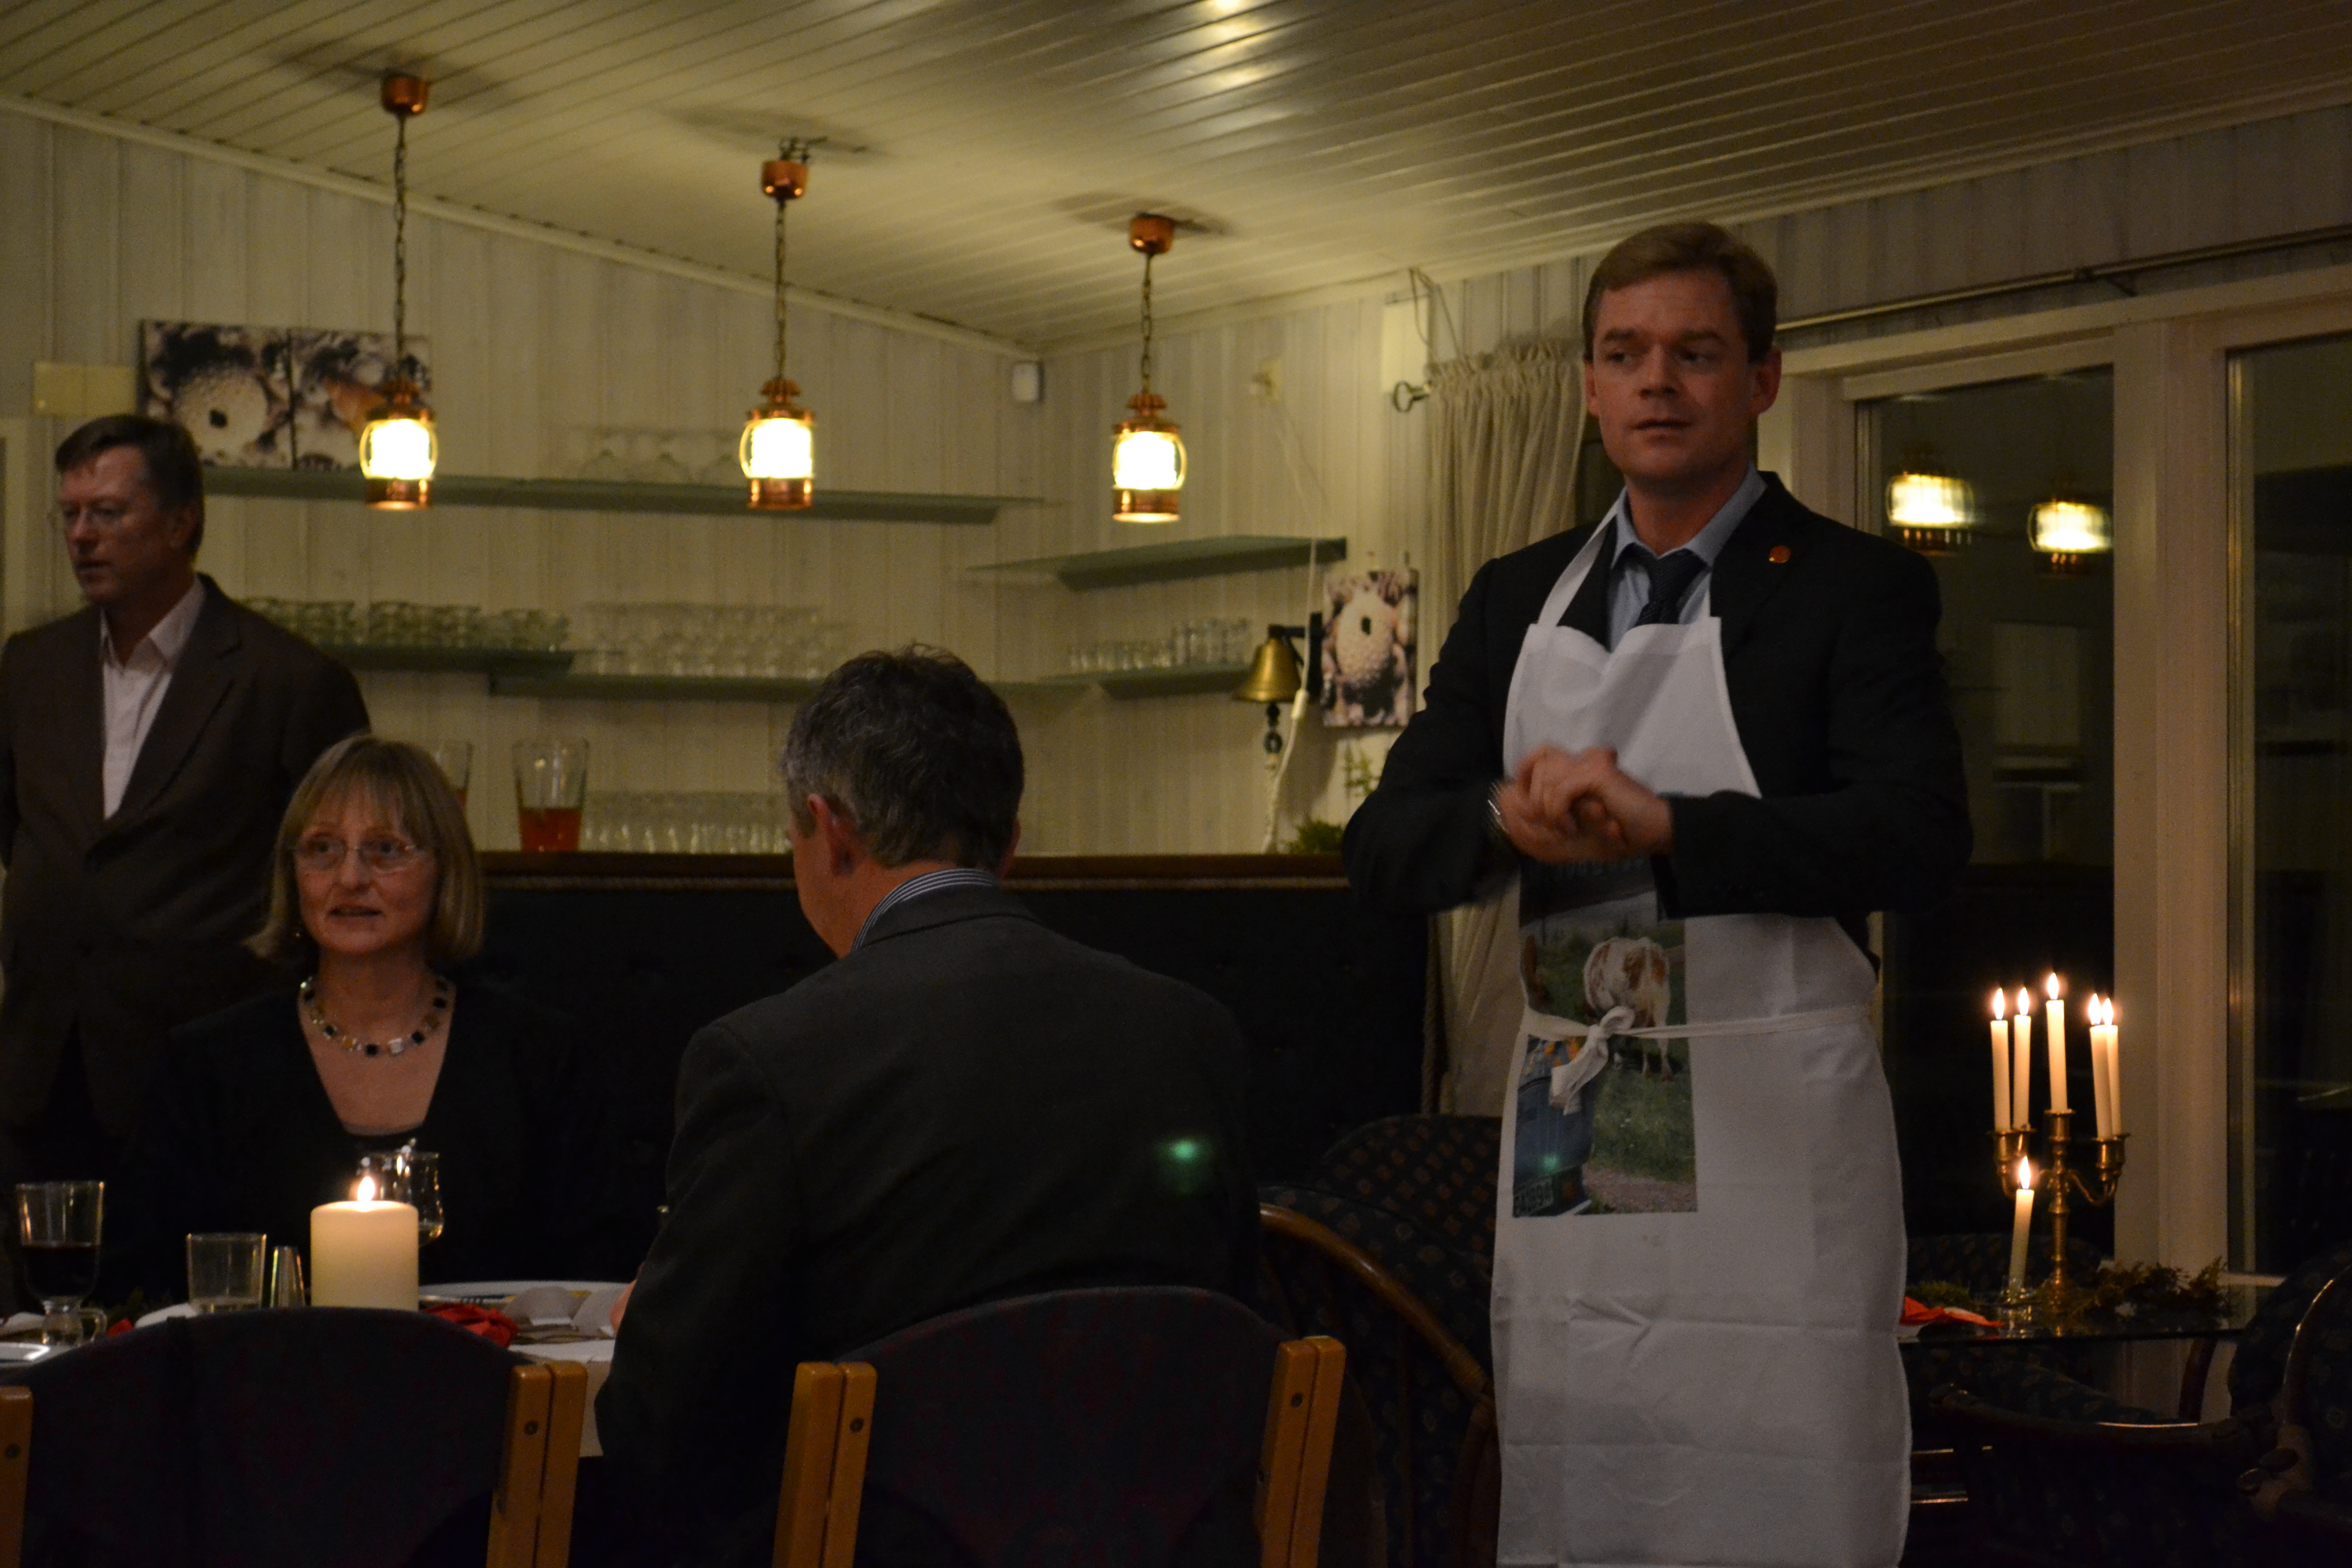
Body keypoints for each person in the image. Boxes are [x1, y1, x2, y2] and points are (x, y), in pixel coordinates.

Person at [1345, 223, 1968, 1567]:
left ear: (1762, 378)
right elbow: (1384, 846)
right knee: (1594, 1446)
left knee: (1781, 1459)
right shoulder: (1517, 596)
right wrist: (1506, 820)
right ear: (1588, 385)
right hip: (1588, 1084)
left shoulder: (1855, 586)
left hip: (1772, 1095)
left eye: (1696, 354)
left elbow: (1918, 840)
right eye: (1626, 355)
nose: (1658, 384)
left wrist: (1673, 827)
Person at [598, 647, 1259, 1567]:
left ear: (829, 830)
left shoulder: (769, 1060)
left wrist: (656, 1321)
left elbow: (657, 1425)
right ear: (1010, 841)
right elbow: (1225, 1336)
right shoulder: (1193, 1033)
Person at [0, 415, 369, 1207]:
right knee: (42, 1281)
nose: (81, 536)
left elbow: (334, 869)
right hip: (44, 1062)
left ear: (180, 522)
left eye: (108, 513)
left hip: (202, 1063)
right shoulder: (32, 666)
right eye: (71, 514)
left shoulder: (288, 680)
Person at [129, 734, 619, 1294]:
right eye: (322, 849)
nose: (350, 878)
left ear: (445, 871)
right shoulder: (206, 1066)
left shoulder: (544, 1058)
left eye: (386, 849)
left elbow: (599, 1279)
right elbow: (145, 1285)